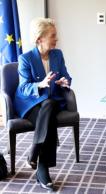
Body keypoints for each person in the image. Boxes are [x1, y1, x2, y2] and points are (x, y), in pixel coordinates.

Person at [14, 18, 71, 191]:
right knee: (49, 115)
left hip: (51, 101)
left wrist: (63, 81)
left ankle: (34, 152)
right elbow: (23, 88)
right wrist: (40, 84)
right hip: (30, 103)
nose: (57, 39)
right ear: (40, 39)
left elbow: (67, 76)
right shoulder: (25, 58)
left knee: (49, 105)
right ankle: (42, 168)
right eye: (53, 35)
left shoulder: (57, 54)